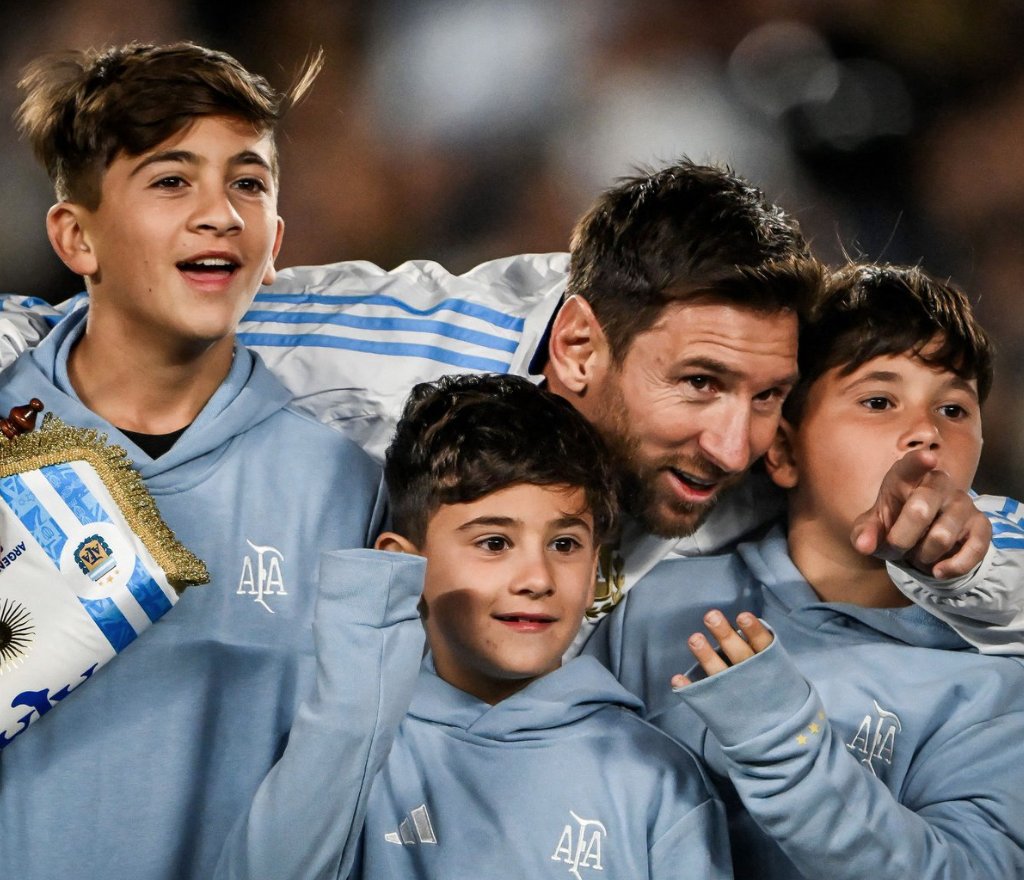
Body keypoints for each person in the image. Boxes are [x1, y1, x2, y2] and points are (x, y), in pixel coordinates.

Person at [0, 159, 997, 637]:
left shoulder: (762, 439)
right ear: (576, 347)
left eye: (766, 396)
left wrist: (959, 556)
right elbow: (45, 336)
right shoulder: (378, 357)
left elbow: (983, 544)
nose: (733, 445)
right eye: (696, 385)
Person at [0, 43, 385, 880]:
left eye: (247, 182)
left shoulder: (345, 486)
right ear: (77, 237)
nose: (221, 213)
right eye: (172, 180)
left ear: (276, 238)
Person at [589, 263, 1024, 879]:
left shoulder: (995, 685)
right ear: (785, 450)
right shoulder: (649, 600)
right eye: (879, 401)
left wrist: (782, 744)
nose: (926, 434)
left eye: (954, 409)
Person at [217, 373, 733, 880]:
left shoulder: (660, 778)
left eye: (564, 545)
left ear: (596, 563)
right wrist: (351, 714)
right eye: (493, 543)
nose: (537, 579)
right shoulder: (338, 742)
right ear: (404, 565)